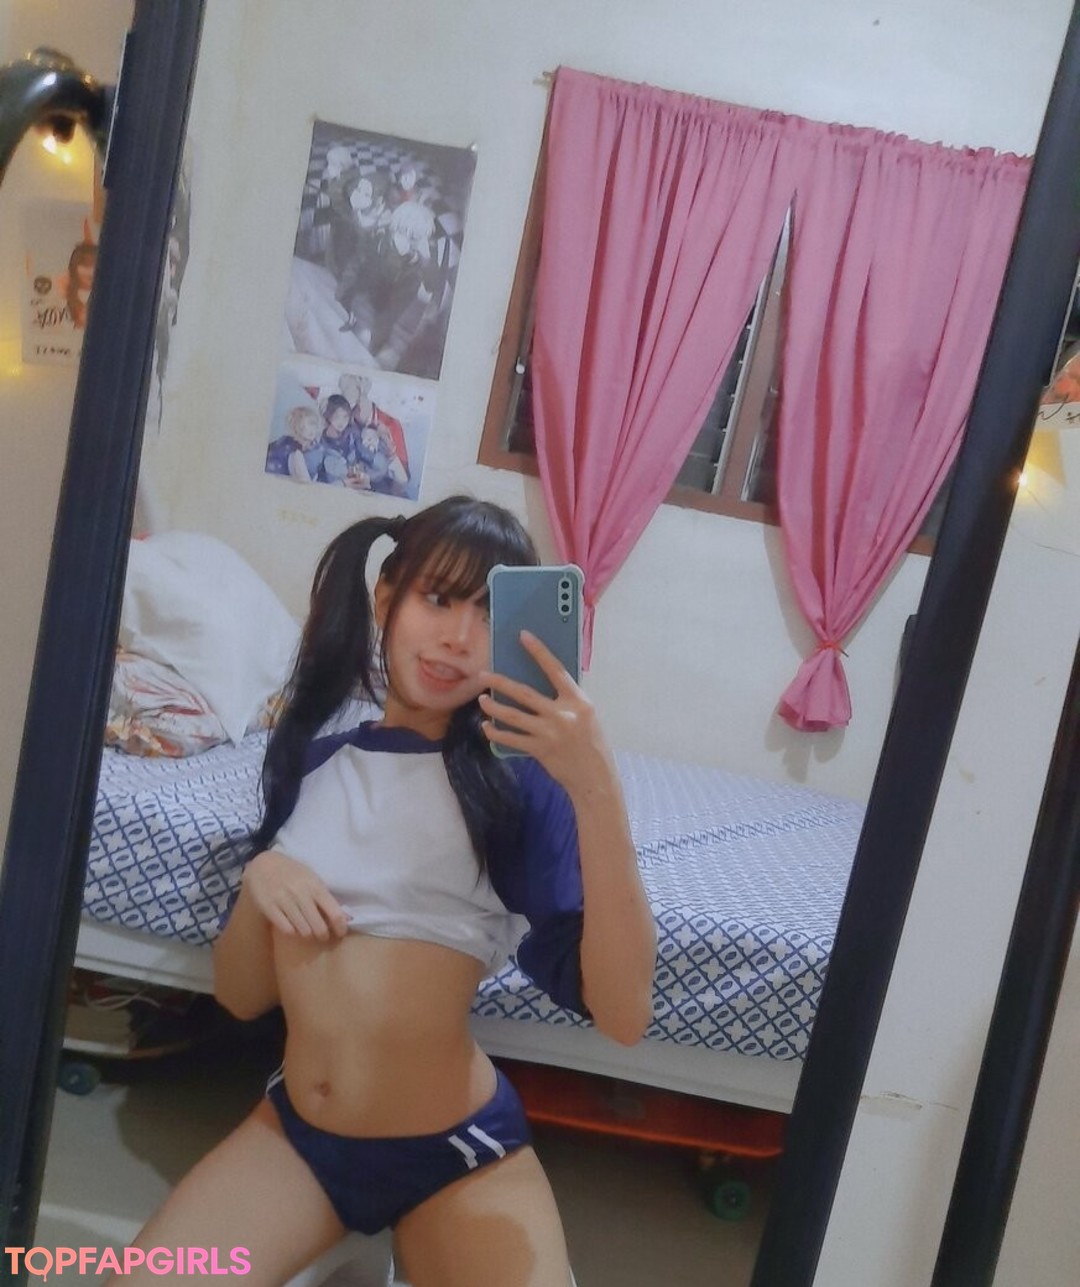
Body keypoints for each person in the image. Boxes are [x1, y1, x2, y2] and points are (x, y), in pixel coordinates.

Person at [109, 495, 656, 1287]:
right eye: (438, 597)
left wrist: (596, 782)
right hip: (299, 1136)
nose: (458, 638)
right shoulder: (312, 761)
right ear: (386, 596)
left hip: (458, 1151)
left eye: (487, 613)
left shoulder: (512, 786)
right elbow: (240, 995)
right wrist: (260, 882)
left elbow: (625, 1014)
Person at [265, 406, 327, 484]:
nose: (311, 430)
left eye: (313, 424)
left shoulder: (315, 445)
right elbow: (304, 479)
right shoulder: (294, 449)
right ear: (296, 428)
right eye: (303, 427)